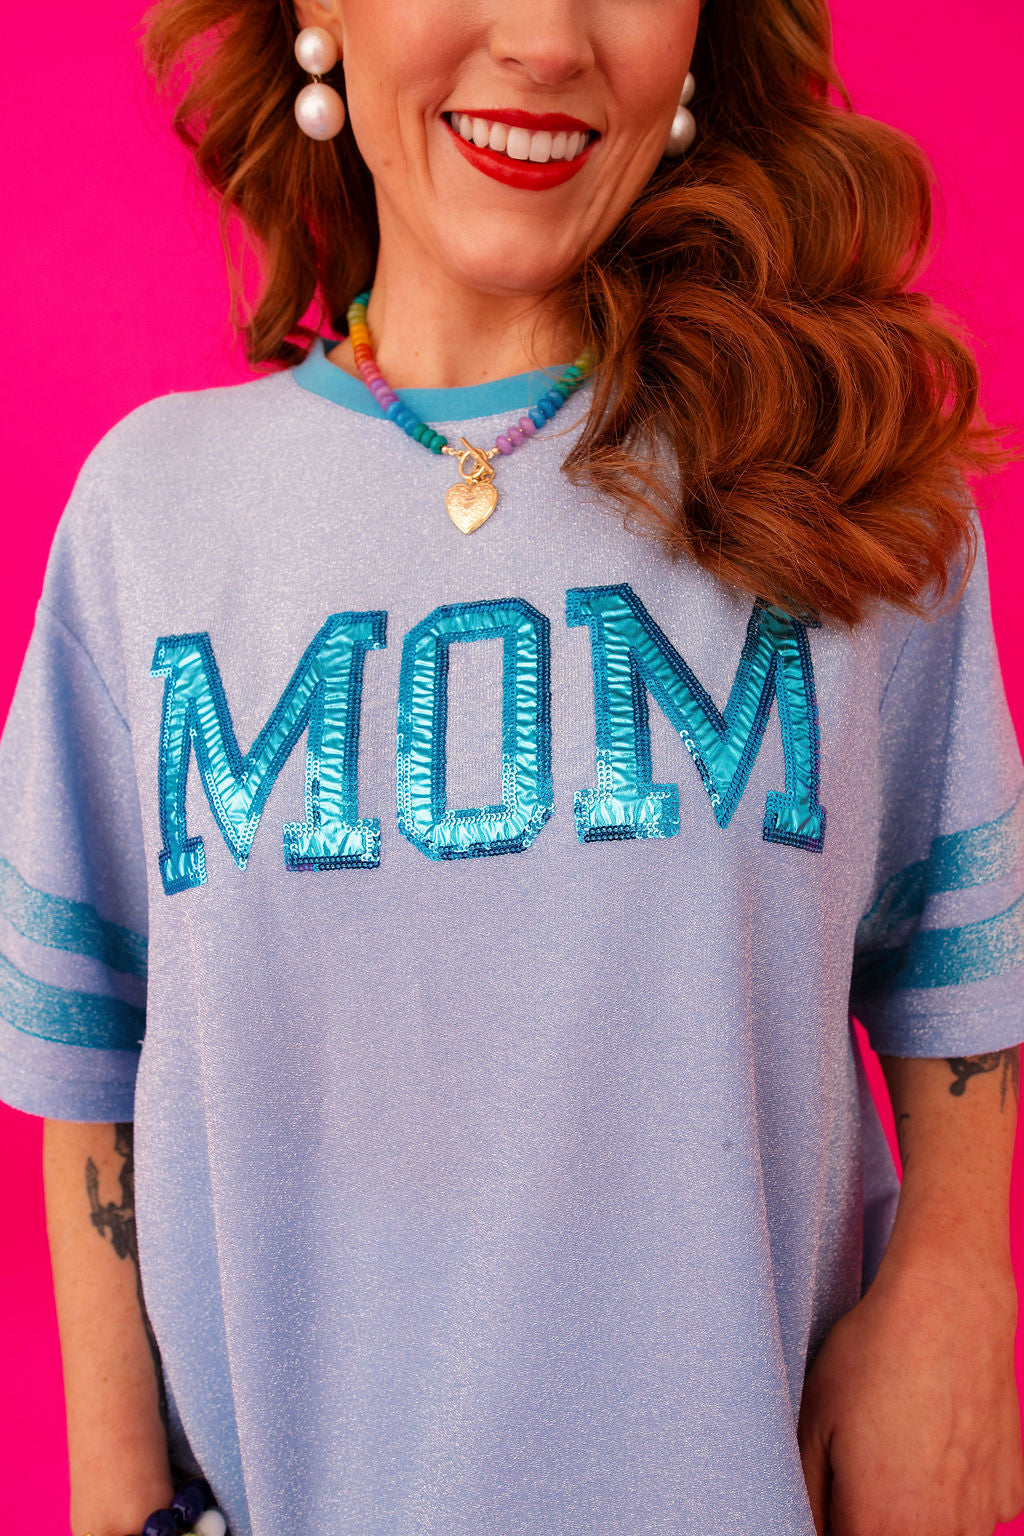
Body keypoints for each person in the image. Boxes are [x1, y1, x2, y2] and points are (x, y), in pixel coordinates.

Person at [1, 0, 1022, 1532]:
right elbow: (90, 1040)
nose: (546, 41)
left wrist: (956, 1277)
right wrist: (120, 1505)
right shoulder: (154, 514)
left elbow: (956, 943)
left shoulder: (832, 465)